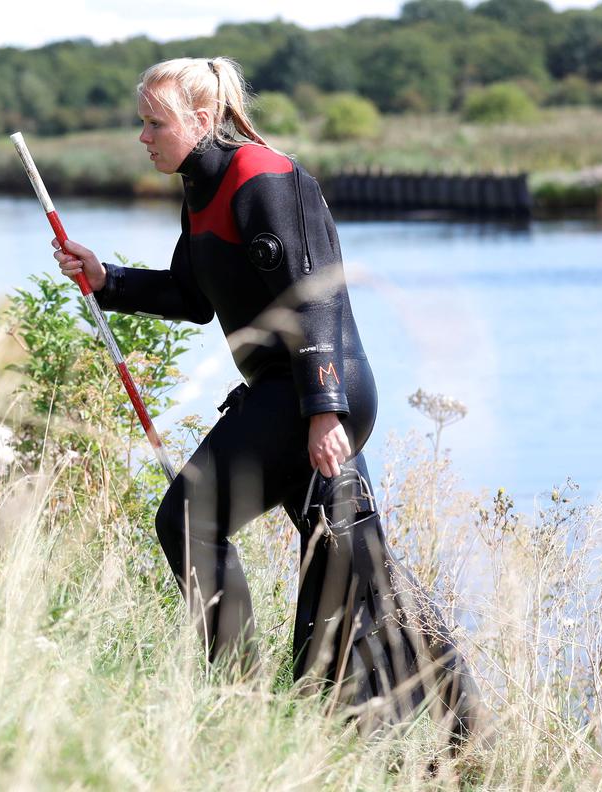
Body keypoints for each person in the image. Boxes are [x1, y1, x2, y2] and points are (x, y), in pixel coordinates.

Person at [51, 57, 476, 742]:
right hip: (295, 398)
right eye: (143, 122)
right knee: (361, 569)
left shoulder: (263, 178)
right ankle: (465, 736)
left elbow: (319, 296)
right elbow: (192, 298)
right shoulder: (201, 189)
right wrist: (108, 280)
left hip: (312, 393)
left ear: (201, 119)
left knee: (187, 521)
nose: (143, 136)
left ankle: (238, 703)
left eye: (153, 122)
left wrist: (325, 410)